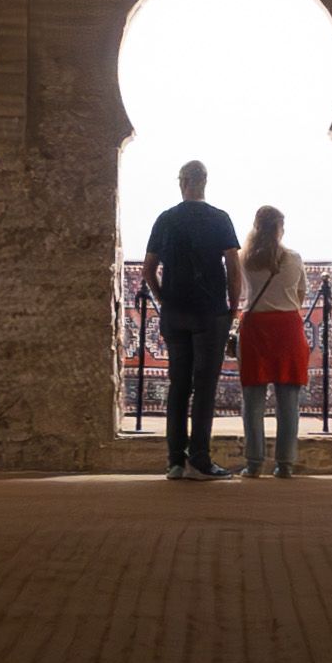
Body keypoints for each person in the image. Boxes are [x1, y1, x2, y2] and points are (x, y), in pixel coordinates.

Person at [141, 160, 238, 479]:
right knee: (205, 387)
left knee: (179, 386)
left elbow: (148, 269)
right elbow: (233, 266)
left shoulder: (166, 219)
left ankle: (175, 461)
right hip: (210, 313)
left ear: (182, 182)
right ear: (204, 182)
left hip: (176, 312)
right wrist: (233, 306)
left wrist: (164, 299)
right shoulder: (219, 219)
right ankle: (200, 459)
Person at [232, 206, 314, 478]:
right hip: (288, 329)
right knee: (288, 401)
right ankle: (285, 464)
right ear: (280, 228)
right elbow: (300, 295)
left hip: (256, 328)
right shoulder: (294, 258)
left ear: (256, 227)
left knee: (253, 401)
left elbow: (239, 292)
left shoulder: (244, 259)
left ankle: (254, 463)